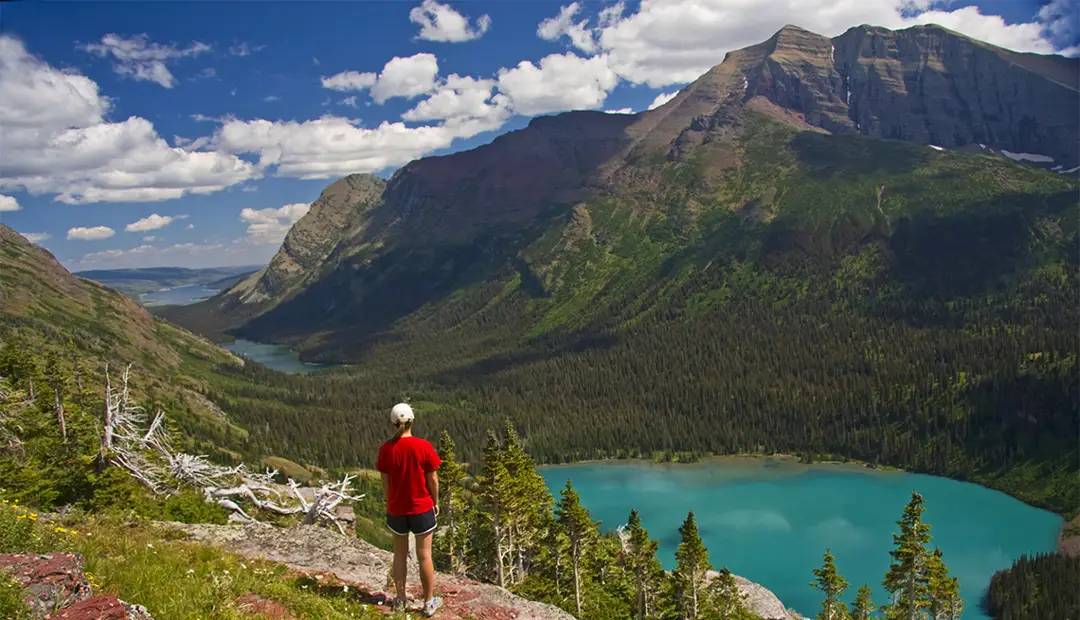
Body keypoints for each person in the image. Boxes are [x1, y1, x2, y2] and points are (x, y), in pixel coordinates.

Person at [376, 402, 443, 616]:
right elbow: (433, 478)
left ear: (393, 423)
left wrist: (391, 500)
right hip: (421, 508)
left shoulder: (387, 449)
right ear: (412, 421)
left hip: (397, 509)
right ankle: (429, 602)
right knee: (425, 555)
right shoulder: (423, 446)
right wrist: (435, 501)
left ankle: (401, 598)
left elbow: (385, 481)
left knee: (399, 554)